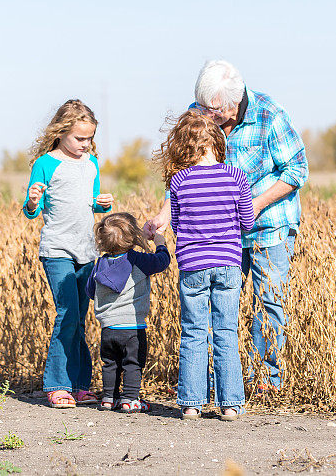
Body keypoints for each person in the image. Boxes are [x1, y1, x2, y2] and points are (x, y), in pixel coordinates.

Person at [146, 60, 308, 390]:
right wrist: (166, 212)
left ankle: (266, 378)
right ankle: (211, 385)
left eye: (214, 109)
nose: (207, 114)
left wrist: (250, 205)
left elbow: (296, 170)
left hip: (268, 226)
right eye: (202, 106)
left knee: (269, 302)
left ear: (234, 101)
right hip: (218, 238)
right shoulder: (200, 112)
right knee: (214, 311)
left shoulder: (270, 114)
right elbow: (181, 170)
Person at [154, 109, 255, 420]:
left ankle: (191, 403)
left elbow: (177, 222)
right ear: (218, 143)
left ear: (185, 147)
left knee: (194, 331)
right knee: (226, 330)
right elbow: (248, 223)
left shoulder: (180, 181)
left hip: (193, 266)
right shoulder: (237, 177)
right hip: (227, 263)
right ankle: (231, 405)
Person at [23, 99, 113, 409]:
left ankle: (80, 385)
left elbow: (94, 203)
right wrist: (33, 201)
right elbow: (30, 211)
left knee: (80, 318)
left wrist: (103, 204)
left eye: (89, 138)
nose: (85, 144)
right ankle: (57, 384)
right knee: (68, 314)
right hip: (57, 250)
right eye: (79, 138)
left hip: (87, 252)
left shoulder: (91, 163)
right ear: (61, 132)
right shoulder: (46, 163)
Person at [85, 212, 171, 413]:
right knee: (133, 363)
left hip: (108, 328)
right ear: (133, 238)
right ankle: (130, 399)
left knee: (110, 363)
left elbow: (90, 292)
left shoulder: (99, 264)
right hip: (133, 327)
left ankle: (108, 398)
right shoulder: (137, 260)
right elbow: (162, 261)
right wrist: (160, 241)